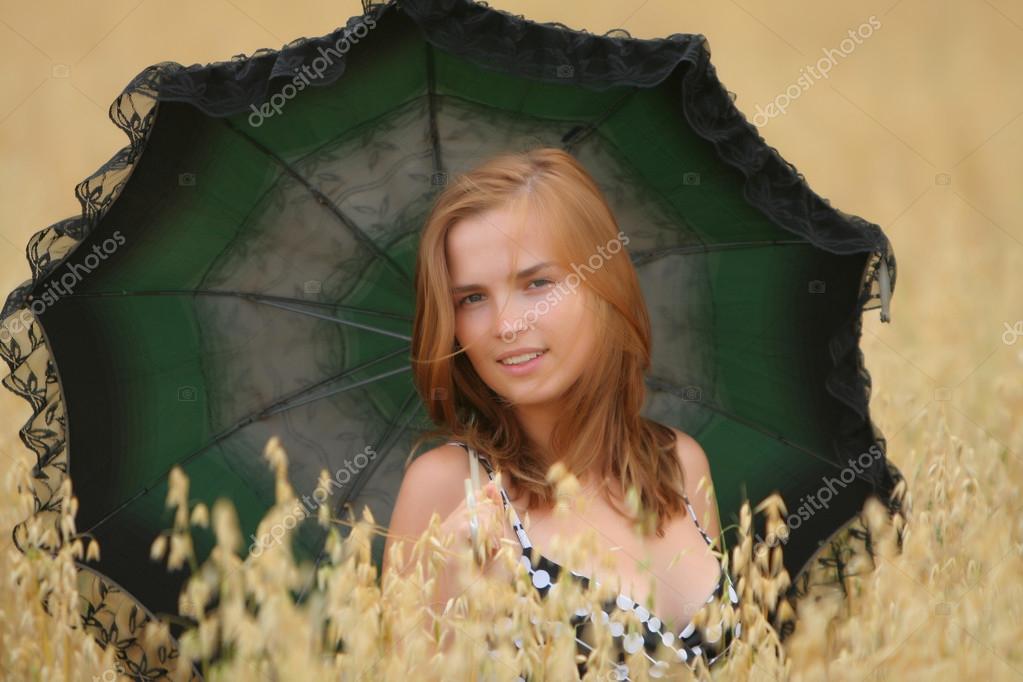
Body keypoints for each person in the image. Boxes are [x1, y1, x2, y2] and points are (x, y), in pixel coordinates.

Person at [382, 147, 740, 679]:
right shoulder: (451, 488)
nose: (505, 325)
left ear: (604, 284)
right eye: (472, 298)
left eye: (536, 283)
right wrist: (456, 585)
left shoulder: (679, 463)